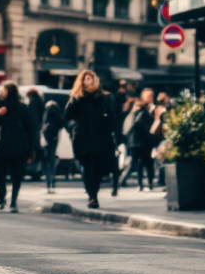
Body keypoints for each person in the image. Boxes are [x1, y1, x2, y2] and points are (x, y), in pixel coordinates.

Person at [65, 70, 117, 210]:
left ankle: (93, 195)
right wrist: (75, 100)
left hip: (100, 138)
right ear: (82, 82)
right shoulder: (77, 98)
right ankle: (92, 196)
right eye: (86, 79)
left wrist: (110, 131)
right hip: (83, 138)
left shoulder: (103, 97)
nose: (90, 81)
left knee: (97, 169)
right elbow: (68, 115)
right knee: (87, 168)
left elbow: (112, 118)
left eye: (92, 78)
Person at [0, 82, 36, 212]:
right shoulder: (4, 107)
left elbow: (29, 129)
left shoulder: (19, 108)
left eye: (3, 91)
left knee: (5, 175)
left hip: (8, 147)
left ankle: (5, 200)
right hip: (12, 147)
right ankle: (9, 201)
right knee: (13, 176)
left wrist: (31, 150)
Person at [120, 89, 156, 191]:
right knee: (147, 163)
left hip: (134, 142)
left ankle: (140, 184)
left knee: (138, 163)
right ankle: (148, 183)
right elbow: (148, 127)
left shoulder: (134, 113)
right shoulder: (145, 113)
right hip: (143, 142)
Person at [41, 99, 65, 193]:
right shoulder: (59, 114)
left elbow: (44, 127)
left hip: (47, 141)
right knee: (52, 163)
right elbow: (63, 124)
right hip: (55, 141)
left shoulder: (46, 113)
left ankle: (48, 183)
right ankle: (52, 182)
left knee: (46, 163)